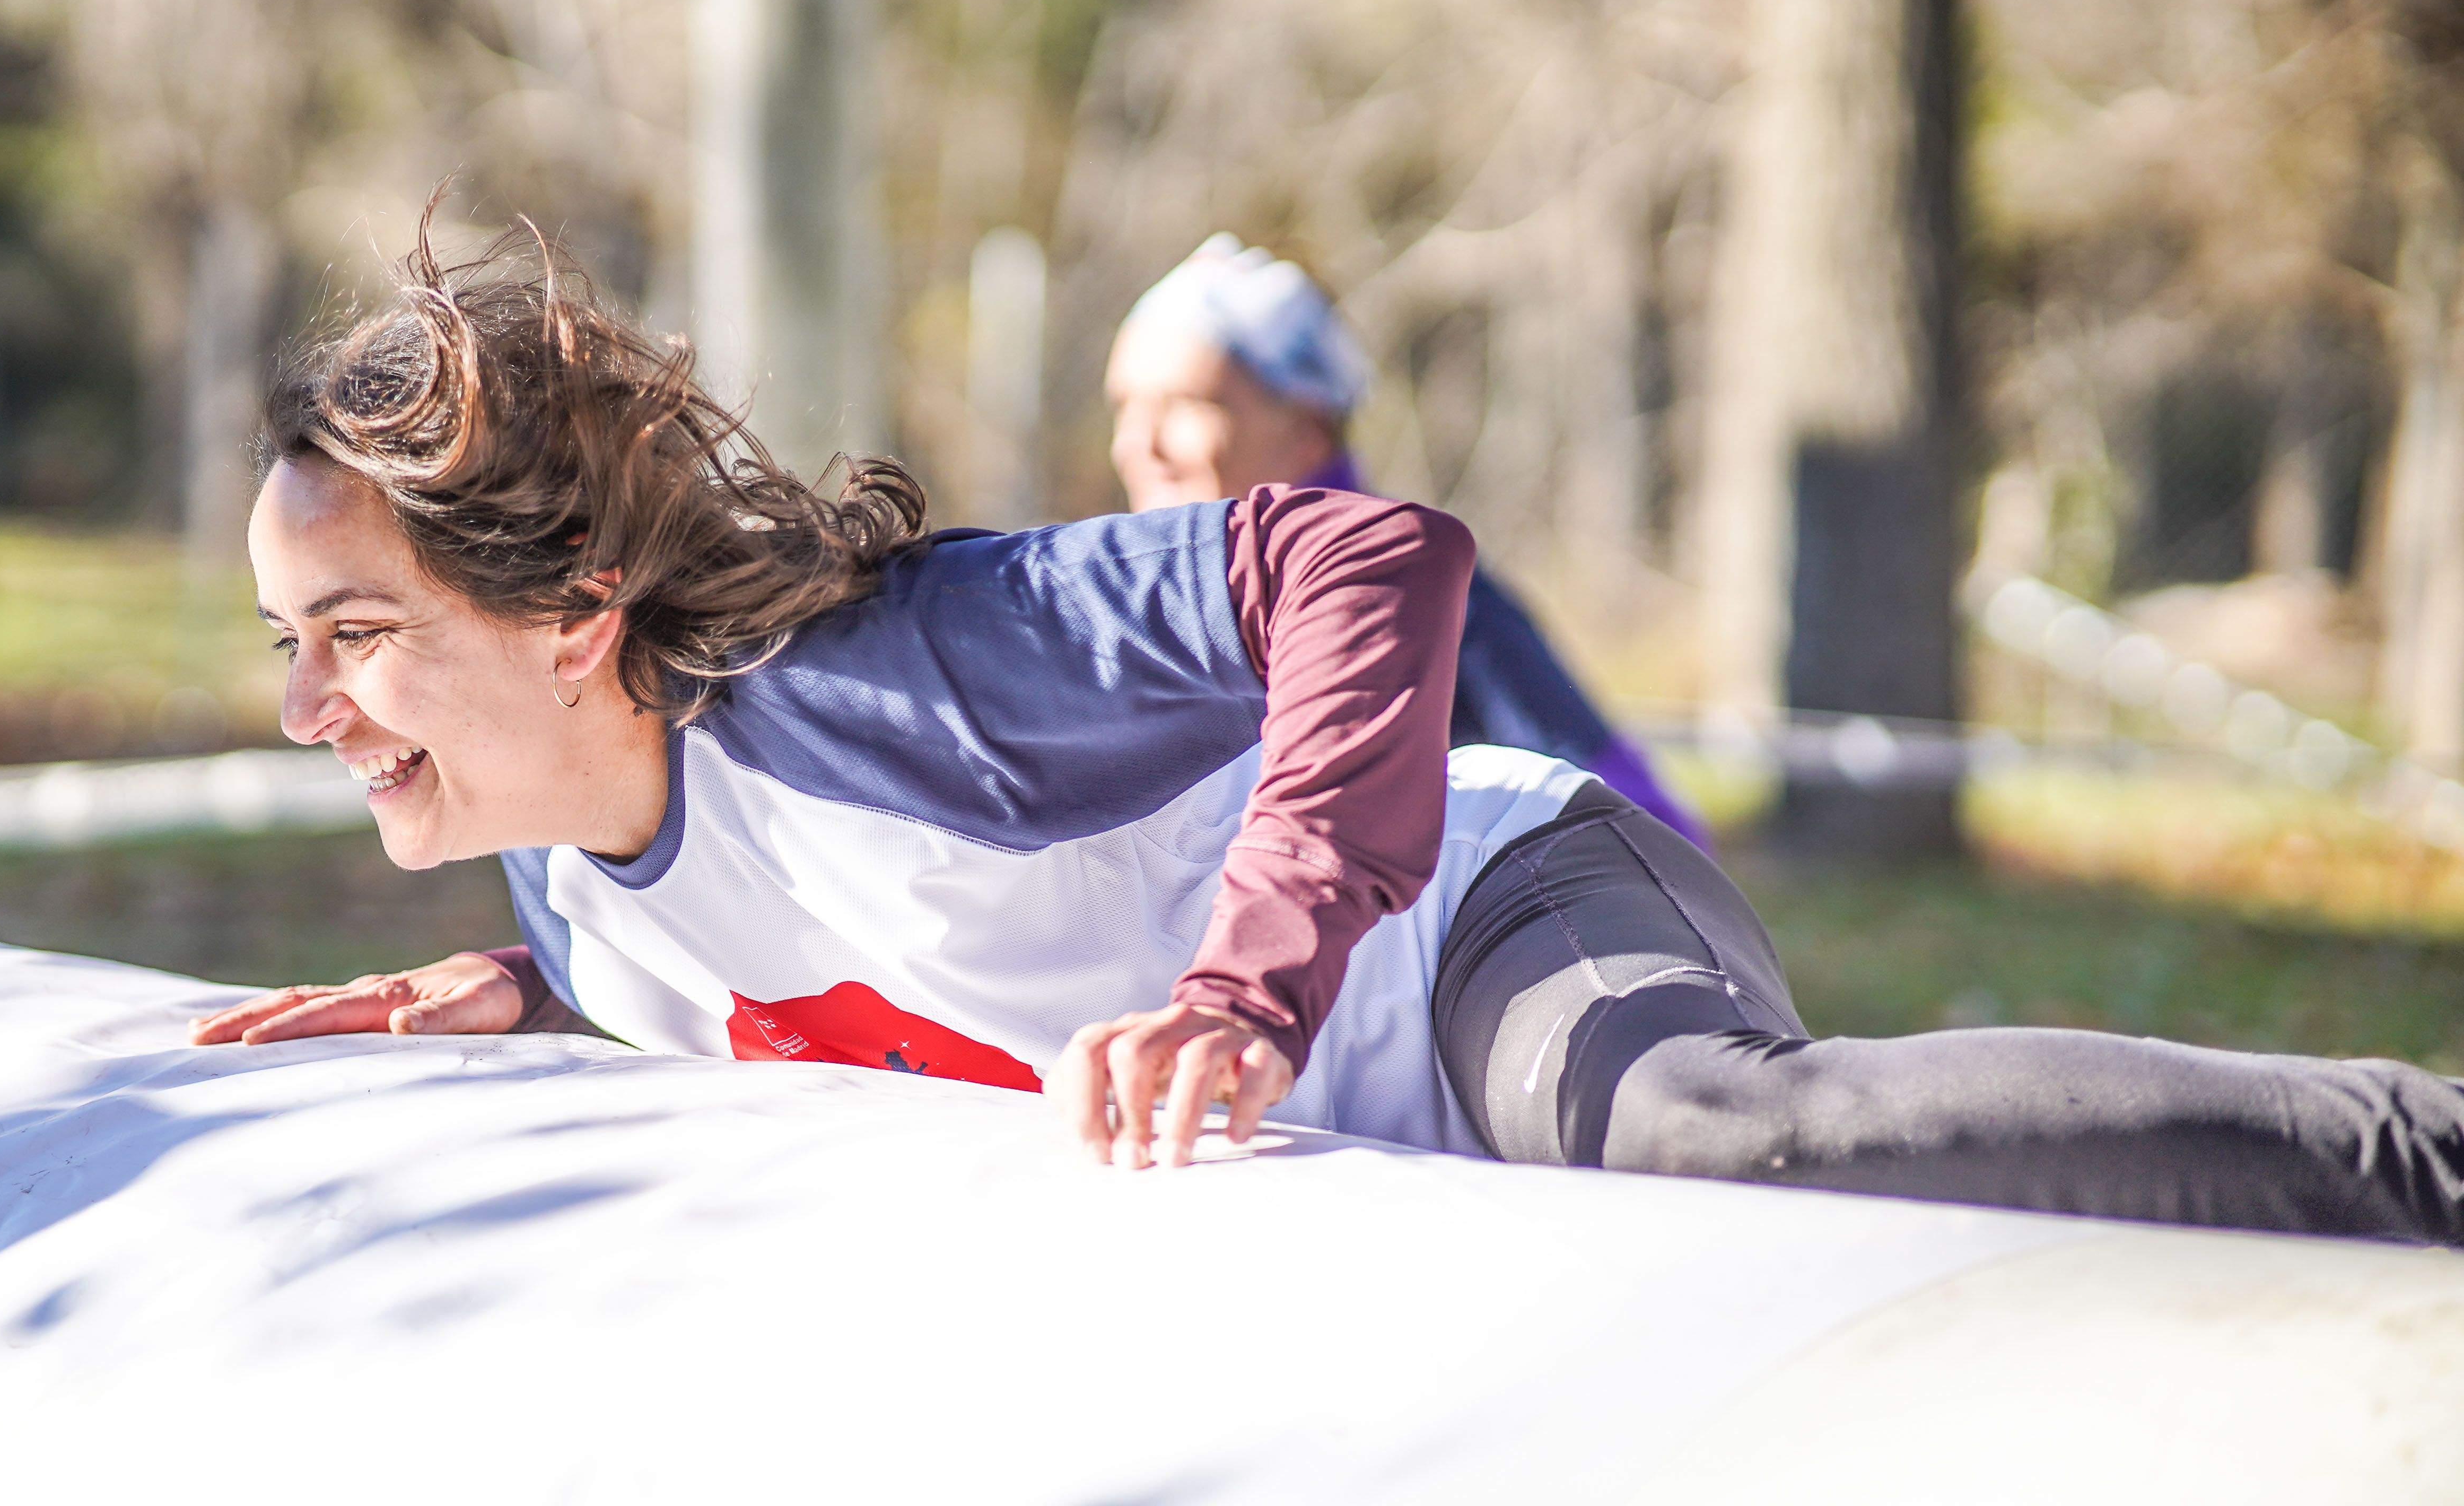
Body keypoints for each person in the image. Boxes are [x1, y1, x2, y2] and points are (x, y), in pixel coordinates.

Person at [193, 225, 2464, 1242]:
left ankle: (2418, 1152)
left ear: (580, 610)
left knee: (1704, 1129)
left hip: (1480, 910)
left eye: (357, 630)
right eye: (295, 639)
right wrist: (504, 1000)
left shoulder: (903, 676)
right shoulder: (558, 872)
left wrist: (1249, 975)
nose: (307, 704)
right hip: (1311, 1039)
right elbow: (734, 956)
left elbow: (1368, 562)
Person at [1108, 233, 1709, 848]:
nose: (1135, 445)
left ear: (1308, 427)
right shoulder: (1126, 604)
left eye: (1186, 405)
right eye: (1124, 406)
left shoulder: (1412, 590)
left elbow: (1646, 832)